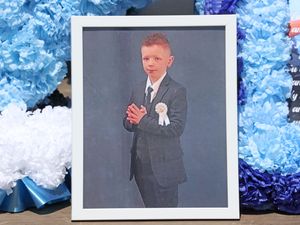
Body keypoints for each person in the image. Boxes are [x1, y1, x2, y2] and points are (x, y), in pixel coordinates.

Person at [123, 33, 187, 207]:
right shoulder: (137, 89)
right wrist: (132, 120)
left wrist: (142, 120)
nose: (150, 63)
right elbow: (127, 122)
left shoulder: (176, 91)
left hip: (165, 167)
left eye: (157, 58)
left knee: (165, 211)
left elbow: (176, 128)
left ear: (169, 61)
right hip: (140, 166)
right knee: (148, 208)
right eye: (146, 58)